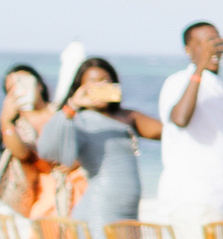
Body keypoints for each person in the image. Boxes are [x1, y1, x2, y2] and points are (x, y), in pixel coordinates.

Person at [38, 57, 162, 229]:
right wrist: (72, 106)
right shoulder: (78, 120)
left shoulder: (127, 117)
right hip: (100, 208)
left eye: (105, 80)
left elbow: (172, 133)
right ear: (80, 88)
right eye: (93, 82)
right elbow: (47, 150)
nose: (101, 86)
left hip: (130, 209)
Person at [157, 22, 223, 239]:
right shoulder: (178, 82)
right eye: (204, 42)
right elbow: (180, 119)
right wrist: (199, 69)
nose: (212, 48)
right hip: (192, 200)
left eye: (215, 41)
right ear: (188, 50)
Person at [0, 63, 72, 219]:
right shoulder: (17, 124)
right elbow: (22, 154)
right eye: (12, 88)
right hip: (40, 189)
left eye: (24, 82)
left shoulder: (62, 111)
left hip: (74, 182)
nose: (20, 88)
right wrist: (6, 121)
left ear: (39, 85)